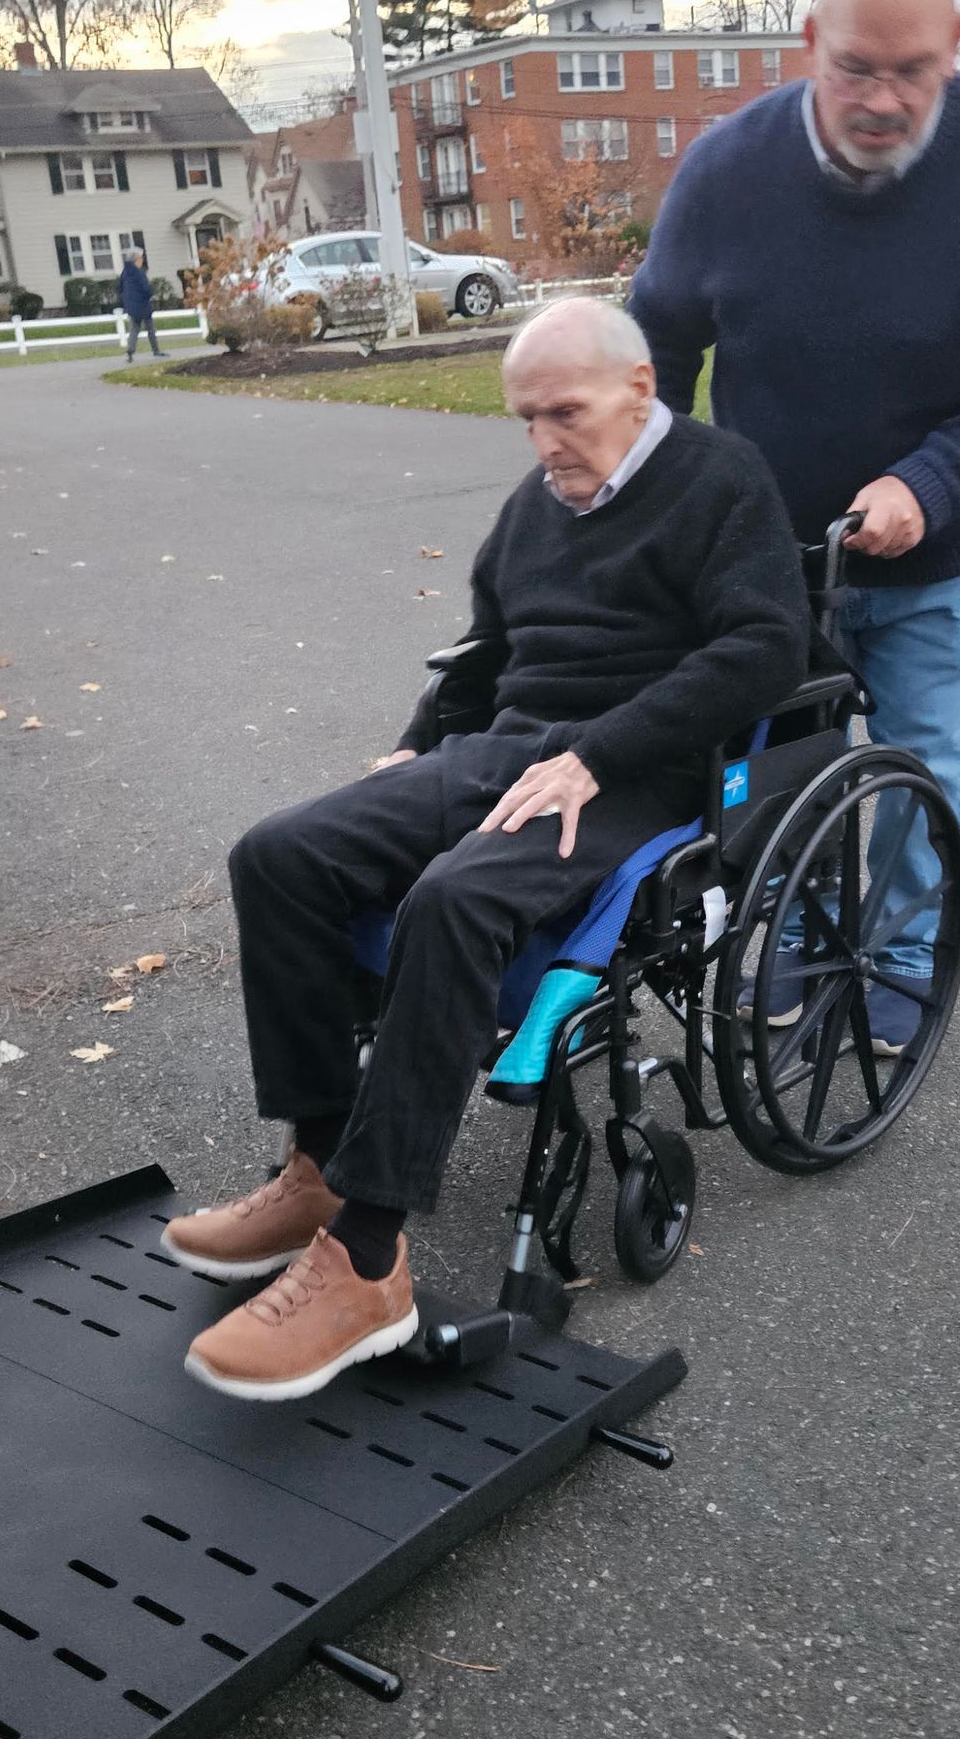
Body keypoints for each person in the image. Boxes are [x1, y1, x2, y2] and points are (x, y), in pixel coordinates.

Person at [165, 297, 809, 1403]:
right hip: (503, 750)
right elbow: (482, 653)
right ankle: (318, 1163)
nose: (544, 441)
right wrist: (412, 753)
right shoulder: (534, 504)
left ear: (641, 390)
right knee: (277, 855)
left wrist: (598, 756)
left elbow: (764, 649)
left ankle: (367, 1261)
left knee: (452, 903)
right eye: (526, 418)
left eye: (565, 412)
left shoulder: (721, 481)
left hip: (641, 773)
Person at [629, 0, 960, 1052]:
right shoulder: (729, 174)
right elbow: (660, 353)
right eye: (856, 69)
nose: (883, 99)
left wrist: (929, 485)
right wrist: (651, 493)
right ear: (808, 41)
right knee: (770, 770)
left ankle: (892, 951)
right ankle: (790, 930)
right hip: (771, 559)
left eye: (915, 71)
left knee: (920, 767)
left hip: (940, 555)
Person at [119, 246, 160, 360]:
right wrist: (150, 295)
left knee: (134, 328)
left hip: (131, 305)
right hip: (142, 304)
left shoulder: (125, 273)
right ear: (136, 259)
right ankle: (156, 350)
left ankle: (130, 350)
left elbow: (121, 288)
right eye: (141, 258)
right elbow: (145, 288)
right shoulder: (139, 273)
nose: (142, 260)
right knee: (150, 328)